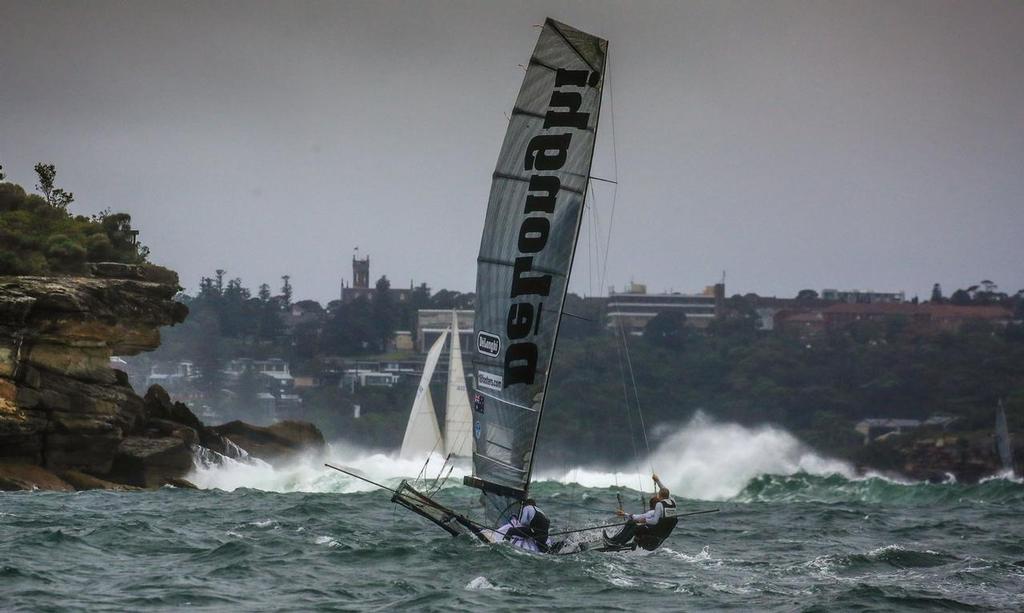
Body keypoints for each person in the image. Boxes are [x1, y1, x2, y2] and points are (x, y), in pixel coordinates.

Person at [606, 474, 679, 551]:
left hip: (651, 540)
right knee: (638, 525)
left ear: (660, 497)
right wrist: (657, 481)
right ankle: (617, 541)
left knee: (633, 525)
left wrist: (625, 514)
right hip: (659, 539)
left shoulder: (657, 508)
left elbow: (649, 520)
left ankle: (618, 543)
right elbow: (665, 492)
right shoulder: (673, 503)